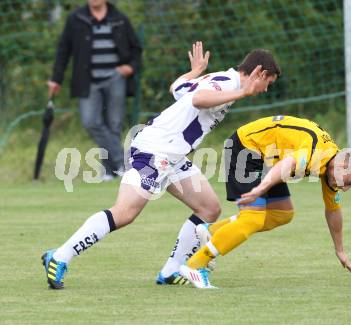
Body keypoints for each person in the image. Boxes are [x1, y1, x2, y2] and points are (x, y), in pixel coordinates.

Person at [41, 42, 281, 289]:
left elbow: (178, 88)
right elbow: (198, 99)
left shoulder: (218, 79)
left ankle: (171, 271)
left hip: (173, 156)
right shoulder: (228, 84)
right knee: (124, 213)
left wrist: (194, 72)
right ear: (259, 74)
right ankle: (60, 256)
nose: (264, 90)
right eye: (268, 83)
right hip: (154, 150)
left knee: (208, 208)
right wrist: (240, 93)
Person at [178, 116, 351, 289]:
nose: (346, 188)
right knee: (253, 218)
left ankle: (210, 231)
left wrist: (340, 250)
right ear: (343, 165)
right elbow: (286, 165)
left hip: (265, 158)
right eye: (350, 182)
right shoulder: (316, 152)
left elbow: (333, 211)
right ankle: (195, 266)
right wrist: (261, 189)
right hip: (245, 147)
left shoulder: (331, 165)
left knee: (282, 213)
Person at [47, 0, 142, 180]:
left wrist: (130, 67)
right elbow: (63, 50)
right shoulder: (76, 18)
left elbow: (136, 48)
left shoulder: (119, 18)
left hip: (116, 78)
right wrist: (56, 78)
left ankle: (109, 171)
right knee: (90, 121)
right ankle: (123, 162)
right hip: (87, 80)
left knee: (114, 124)